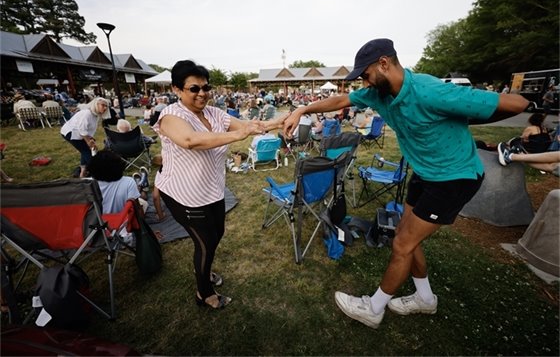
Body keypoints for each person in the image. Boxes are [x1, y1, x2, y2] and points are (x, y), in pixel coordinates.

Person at [283, 38, 529, 329]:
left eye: (366, 74)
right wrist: (301, 110)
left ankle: (373, 308)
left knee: (402, 243)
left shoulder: (430, 91)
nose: (365, 82)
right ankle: (425, 298)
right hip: (425, 174)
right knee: (403, 235)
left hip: (455, 178)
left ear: (384, 64)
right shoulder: (379, 94)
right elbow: (340, 100)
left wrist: (467, 117)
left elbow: (519, 103)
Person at [152, 60, 287, 309]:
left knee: (216, 236)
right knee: (205, 243)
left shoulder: (214, 113)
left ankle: (203, 270)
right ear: (177, 90)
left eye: (206, 87)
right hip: (183, 194)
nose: (202, 93)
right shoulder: (171, 116)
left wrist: (282, 122)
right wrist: (237, 135)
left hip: (211, 189)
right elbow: (190, 140)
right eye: (194, 88)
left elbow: (249, 127)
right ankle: (204, 292)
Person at [61, 97, 110, 178]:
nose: (105, 108)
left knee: (86, 150)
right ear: (96, 104)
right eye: (103, 105)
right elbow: (82, 129)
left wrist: (91, 139)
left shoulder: (95, 115)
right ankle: (98, 172)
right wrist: (88, 141)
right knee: (87, 151)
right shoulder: (87, 113)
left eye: (106, 106)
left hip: (80, 133)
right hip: (71, 133)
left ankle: (83, 172)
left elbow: (89, 130)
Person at [87, 149, 148, 214]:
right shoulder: (128, 182)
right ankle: (142, 186)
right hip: (122, 221)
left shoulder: (87, 184)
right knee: (144, 202)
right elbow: (138, 210)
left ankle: (141, 186)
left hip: (96, 222)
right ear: (119, 166)